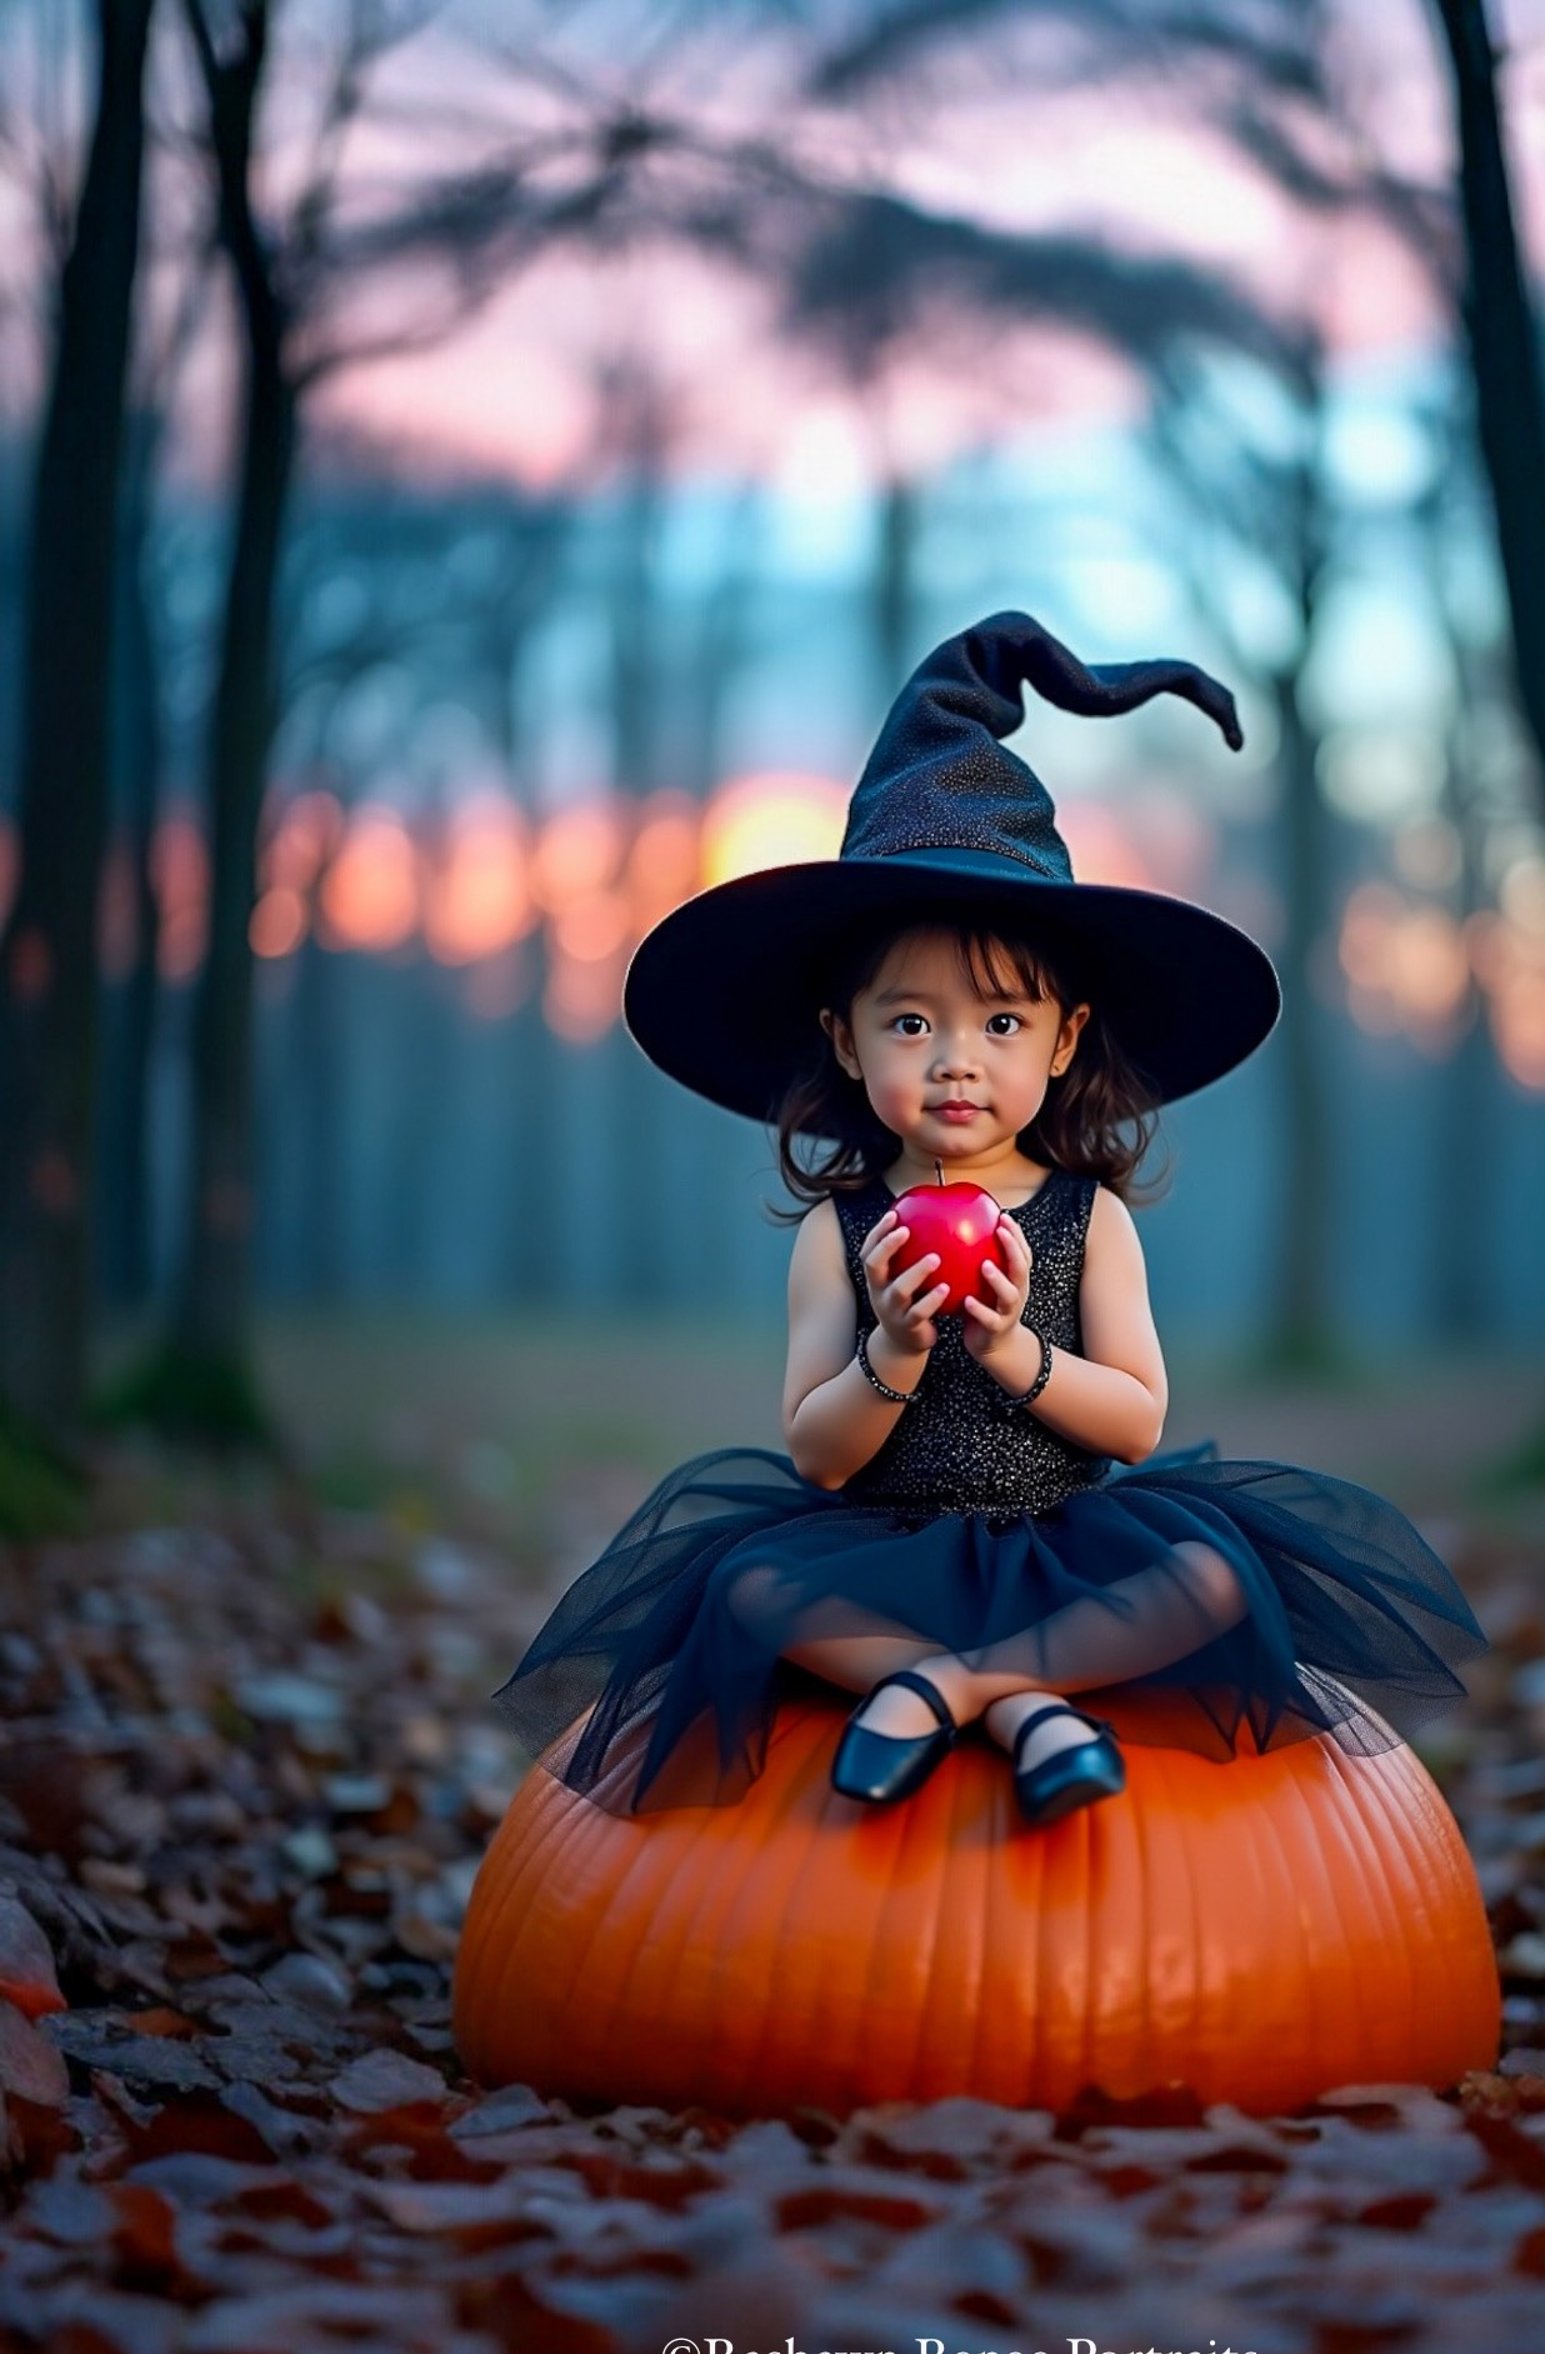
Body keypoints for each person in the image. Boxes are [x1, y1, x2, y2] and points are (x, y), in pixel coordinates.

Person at [493, 611, 1487, 1825]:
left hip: (1068, 1538)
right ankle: (1023, 1703)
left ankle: (958, 1686)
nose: (956, 1059)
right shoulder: (842, 1231)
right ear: (845, 1040)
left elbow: (1137, 1419)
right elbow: (816, 1452)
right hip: (881, 1545)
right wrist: (894, 1351)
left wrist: (1017, 1352)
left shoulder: (1088, 1217)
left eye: (1002, 1022)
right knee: (747, 1582)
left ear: (1065, 1041)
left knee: (1214, 1579)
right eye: (911, 1022)